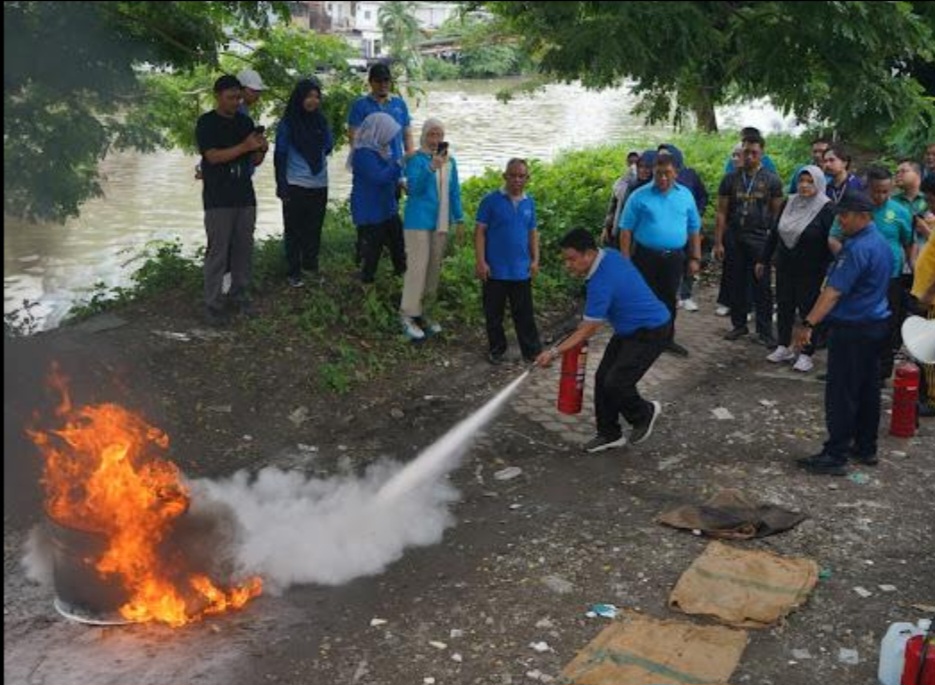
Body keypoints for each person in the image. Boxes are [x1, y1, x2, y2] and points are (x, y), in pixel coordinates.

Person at [535, 228, 671, 453]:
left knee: (617, 382)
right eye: (566, 260)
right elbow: (587, 324)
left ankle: (645, 413)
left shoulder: (601, 281)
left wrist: (553, 352)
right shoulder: (608, 254)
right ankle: (609, 434)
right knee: (602, 379)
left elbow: (588, 329)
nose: (567, 265)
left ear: (588, 254)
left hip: (652, 331)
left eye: (572, 259)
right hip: (629, 330)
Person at [792, 190, 892, 475]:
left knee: (842, 392)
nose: (840, 221)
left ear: (863, 216)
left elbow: (833, 293)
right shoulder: (881, 243)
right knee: (867, 389)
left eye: (845, 215)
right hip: (875, 325)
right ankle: (865, 447)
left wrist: (808, 324)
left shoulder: (857, 248)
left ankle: (835, 454)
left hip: (854, 329)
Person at [195, 74, 268, 325]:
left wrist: (260, 149)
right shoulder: (206, 123)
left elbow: (255, 161)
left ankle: (239, 295)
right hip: (218, 199)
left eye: (239, 97)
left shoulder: (245, 121)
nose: (236, 102)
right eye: (231, 97)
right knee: (218, 252)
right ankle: (213, 304)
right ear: (218, 96)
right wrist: (245, 147)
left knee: (243, 249)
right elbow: (212, 157)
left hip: (245, 195)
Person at [828, 167, 912, 383]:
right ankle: (847, 367)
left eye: (885, 191)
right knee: (854, 321)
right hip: (855, 279)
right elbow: (834, 237)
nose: (881, 196)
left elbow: (908, 243)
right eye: (876, 191)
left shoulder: (900, 212)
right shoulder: (853, 210)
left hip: (890, 277)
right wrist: (848, 260)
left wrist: (913, 269)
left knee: (886, 323)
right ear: (867, 189)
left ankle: (881, 371)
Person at [618, 152, 702, 357]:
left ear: (676, 173)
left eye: (667, 173)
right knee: (644, 297)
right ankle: (642, 338)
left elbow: (694, 229)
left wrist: (695, 258)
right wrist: (625, 259)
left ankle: (666, 339)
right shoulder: (639, 195)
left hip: (673, 257)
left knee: (668, 298)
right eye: (658, 174)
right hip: (645, 256)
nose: (663, 178)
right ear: (652, 173)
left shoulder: (685, 195)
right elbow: (625, 229)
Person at [757, 166, 834, 372]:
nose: (804, 185)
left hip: (811, 269)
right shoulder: (789, 202)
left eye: (810, 181)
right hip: (785, 265)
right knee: (784, 306)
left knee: (808, 310)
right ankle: (784, 345)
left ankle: (806, 353)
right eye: (801, 181)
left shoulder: (826, 209)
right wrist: (763, 259)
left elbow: (831, 242)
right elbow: (774, 233)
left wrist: (829, 270)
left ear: (818, 183)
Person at [715, 131, 784, 345]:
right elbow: (721, 212)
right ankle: (739, 325)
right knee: (735, 282)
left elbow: (777, 215)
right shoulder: (730, 178)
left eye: (754, 152)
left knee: (761, 285)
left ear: (761, 153)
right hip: (734, 237)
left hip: (760, 239)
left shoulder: (771, 180)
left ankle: (764, 331)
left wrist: (774, 246)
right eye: (746, 152)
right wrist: (718, 242)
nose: (749, 157)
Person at [399, 118, 463, 341]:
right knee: (417, 267)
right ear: (424, 136)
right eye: (431, 135)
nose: (435, 140)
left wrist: (460, 218)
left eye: (439, 135)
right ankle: (408, 314)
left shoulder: (450, 161)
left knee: (433, 268)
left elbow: (455, 191)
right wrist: (431, 167)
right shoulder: (416, 160)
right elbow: (414, 189)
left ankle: (426, 311)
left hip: (441, 222)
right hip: (418, 221)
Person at [474, 158, 542, 364]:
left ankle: (532, 352)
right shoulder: (490, 201)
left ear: (527, 178)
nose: (517, 180)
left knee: (524, 314)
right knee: (493, 314)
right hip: (495, 270)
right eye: (512, 175)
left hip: (521, 270)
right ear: (505, 176)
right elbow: (479, 233)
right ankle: (497, 349)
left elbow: (532, 233)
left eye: (521, 176)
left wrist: (535, 259)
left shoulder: (529, 202)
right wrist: (481, 262)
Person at [347, 63, 412, 268]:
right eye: (379, 81)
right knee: (368, 216)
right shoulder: (360, 106)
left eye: (387, 80)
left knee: (390, 210)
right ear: (371, 82)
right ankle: (365, 254)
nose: (383, 84)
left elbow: (407, 135)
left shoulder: (399, 105)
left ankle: (387, 255)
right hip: (371, 170)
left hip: (395, 169)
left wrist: (408, 166)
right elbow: (354, 138)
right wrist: (368, 163)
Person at [274, 78, 334, 288]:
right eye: (309, 96)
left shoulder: (321, 121)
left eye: (317, 97)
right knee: (294, 230)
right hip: (295, 184)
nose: (313, 101)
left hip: (319, 184)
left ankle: (311, 267)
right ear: (299, 98)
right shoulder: (288, 124)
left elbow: (328, 146)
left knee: (314, 229)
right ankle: (293, 271)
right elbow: (280, 155)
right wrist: (281, 184)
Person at [348, 112, 405, 283]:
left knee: (398, 240)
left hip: (387, 205)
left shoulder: (382, 149)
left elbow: (391, 174)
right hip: (370, 208)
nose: (390, 138)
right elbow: (378, 177)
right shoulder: (363, 153)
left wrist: (401, 179)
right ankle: (366, 281)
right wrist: (400, 163)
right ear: (378, 131)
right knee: (373, 247)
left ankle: (401, 274)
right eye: (388, 133)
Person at [658, 143, 708, 313]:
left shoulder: (690, 175)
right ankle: (670, 294)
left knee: (689, 258)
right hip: (666, 228)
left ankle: (686, 295)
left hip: (689, 226)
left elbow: (702, 196)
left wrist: (698, 214)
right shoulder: (656, 177)